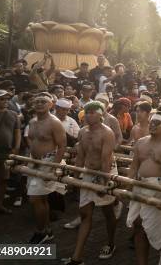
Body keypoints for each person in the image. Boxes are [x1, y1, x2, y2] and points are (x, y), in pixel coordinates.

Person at [63, 101, 117, 265]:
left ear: (101, 114)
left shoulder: (107, 133)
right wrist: (74, 177)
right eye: (87, 112)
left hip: (105, 174)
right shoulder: (82, 132)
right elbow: (80, 157)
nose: (89, 115)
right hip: (88, 173)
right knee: (85, 214)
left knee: (108, 212)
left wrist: (104, 182)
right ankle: (76, 258)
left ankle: (111, 243)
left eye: (93, 112)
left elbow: (106, 159)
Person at [126, 111, 161, 265]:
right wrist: (128, 185)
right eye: (152, 122)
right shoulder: (141, 142)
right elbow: (134, 166)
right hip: (139, 185)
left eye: (157, 123)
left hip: (158, 188)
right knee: (137, 225)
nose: (153, 125)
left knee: (151, 229)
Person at [25, 92, 66, 243]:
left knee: (34, 199)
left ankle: (40, 231)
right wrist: (32, 155)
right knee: (41, 199)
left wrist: (54, 166)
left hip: (48, 163)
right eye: (37, 101)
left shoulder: (54, 122)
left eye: (43, 101)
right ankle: (47, 230)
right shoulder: (32, 122)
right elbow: (30, 138)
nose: (40, 104)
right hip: (34, 162)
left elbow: (62, 146)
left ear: (50, 105)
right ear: (32, 105)